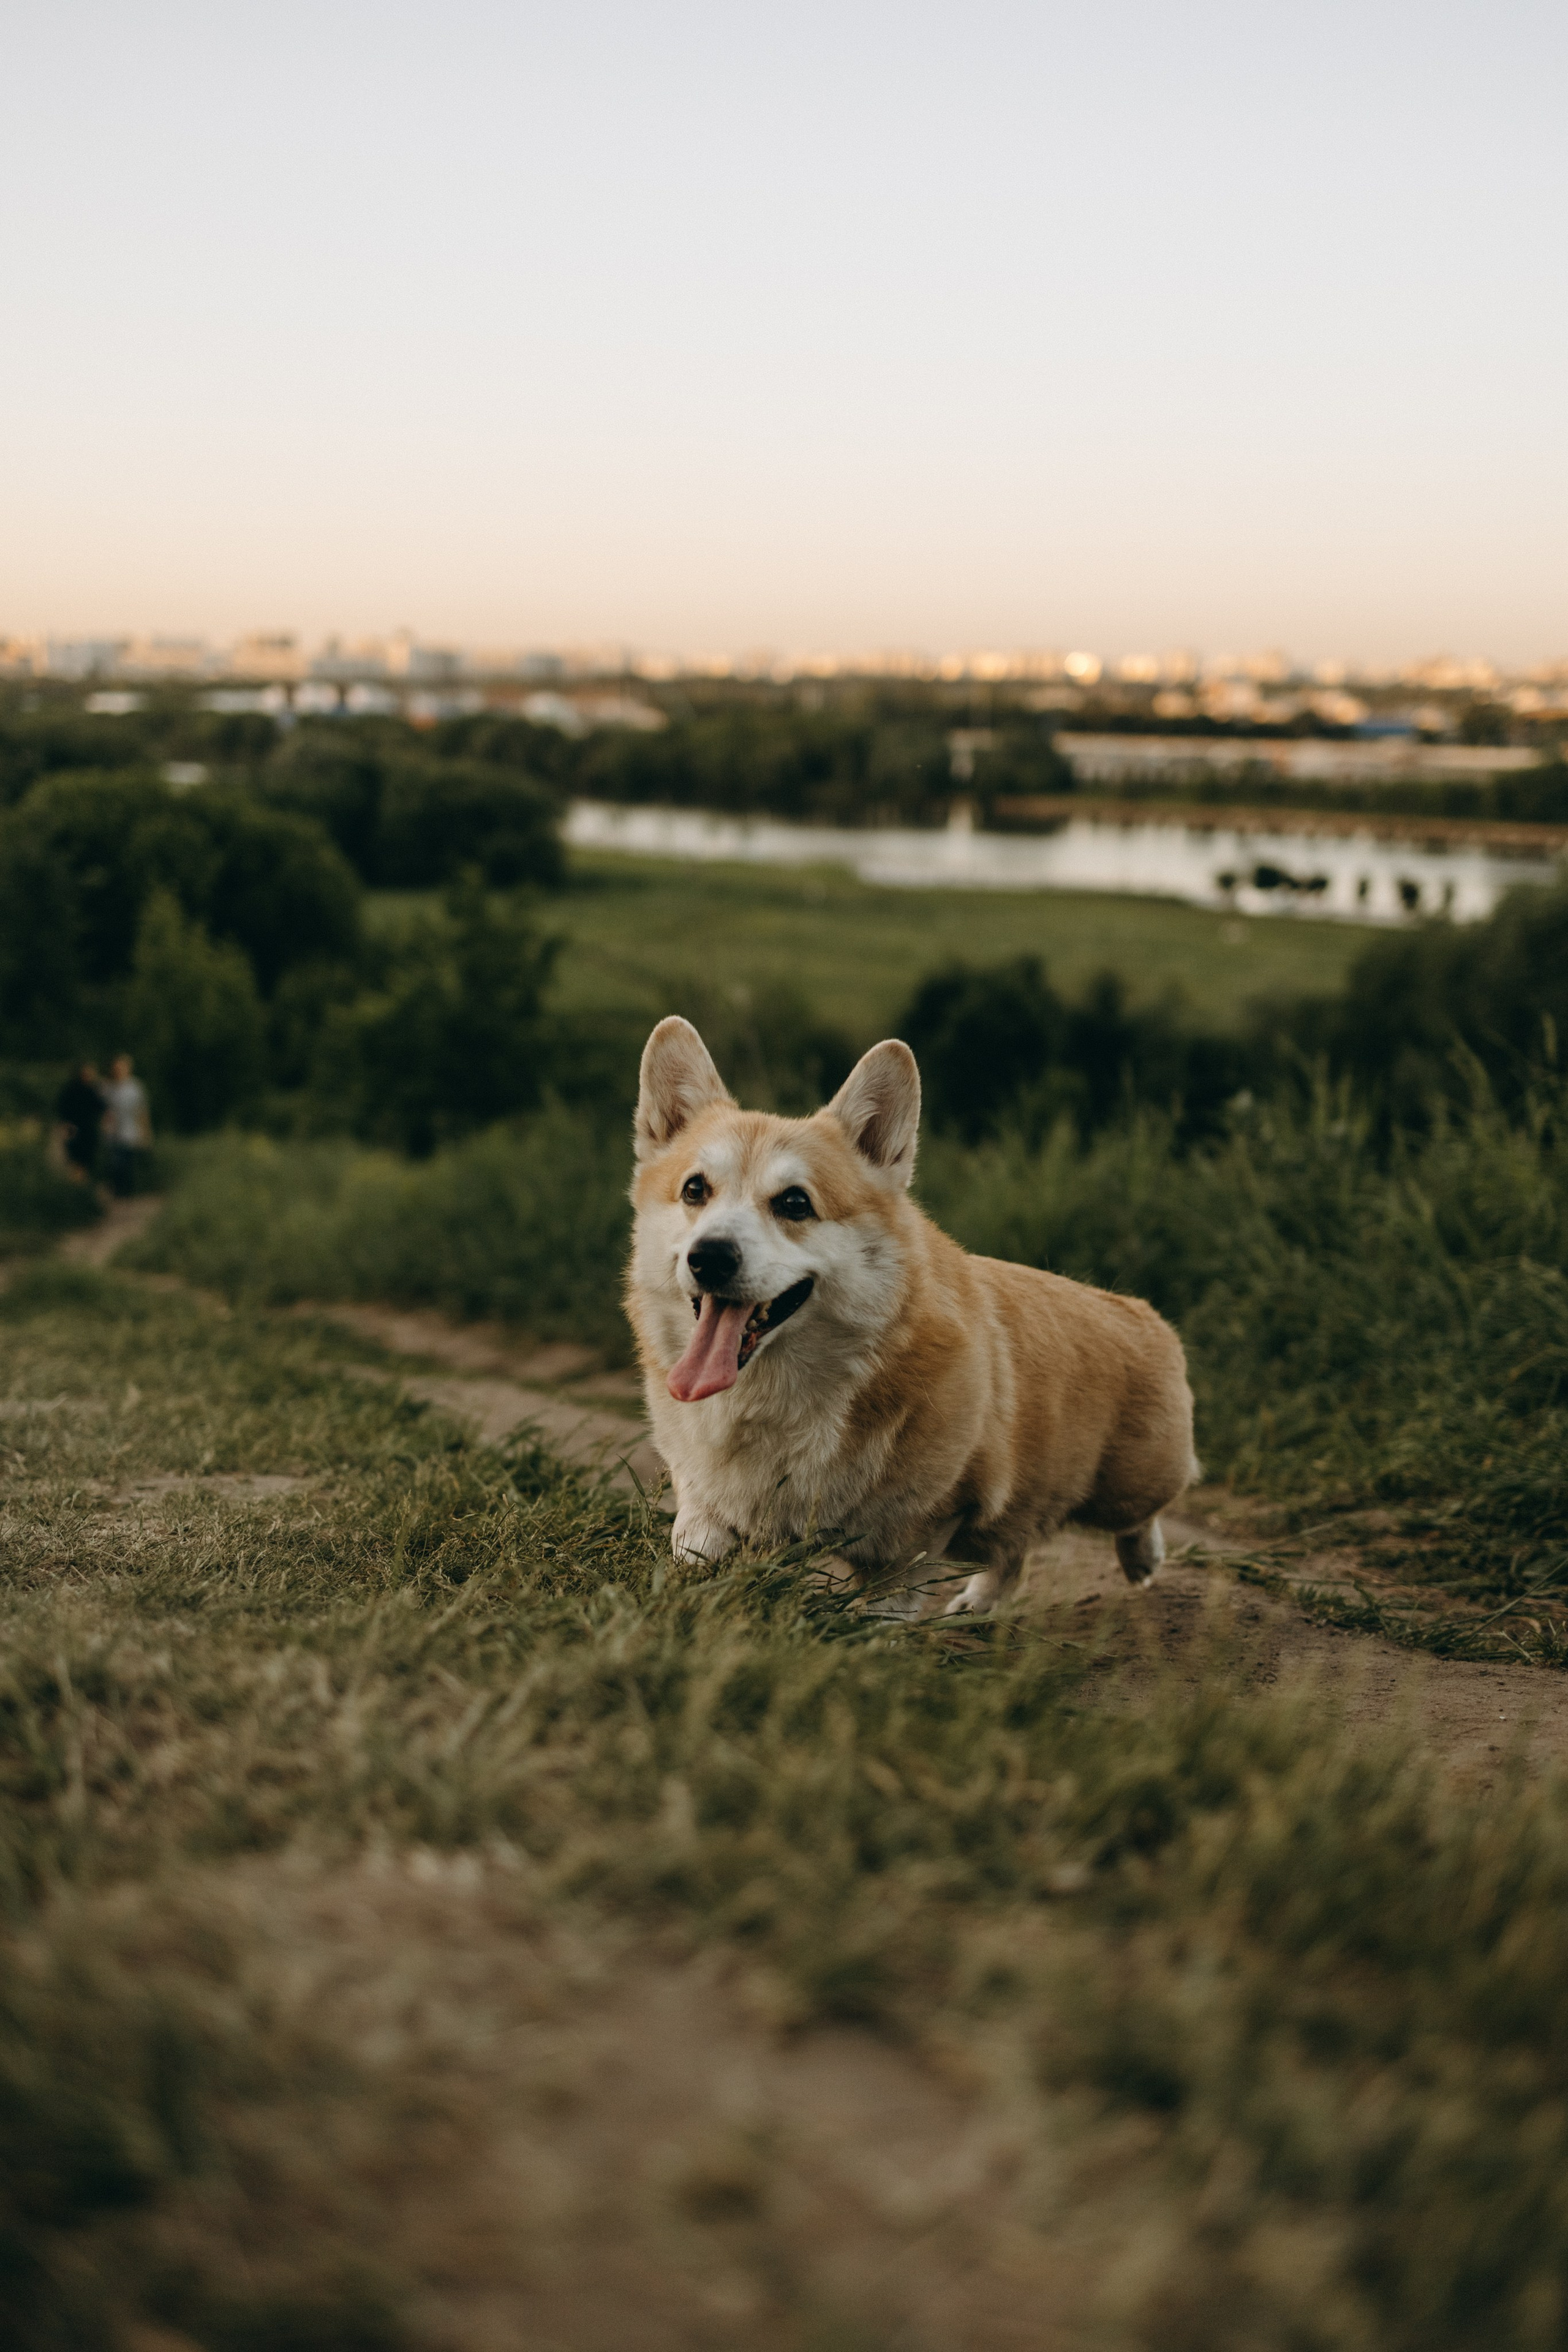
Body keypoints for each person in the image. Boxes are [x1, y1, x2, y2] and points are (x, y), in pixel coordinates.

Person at [101, 1054, 153, 1197]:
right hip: (112, 1132)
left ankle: (127, 1193)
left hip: (131, 1132)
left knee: (127, 1163)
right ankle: (118, 1191)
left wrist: (146, 1132)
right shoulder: (108, 1088)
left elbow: (142, 1111)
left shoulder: (135, 1087)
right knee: (115, 1163)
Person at [53, 1061, 105, 1185]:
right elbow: (62, 1109)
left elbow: (101, 1108)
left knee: (87, 1159)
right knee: (75, 1159)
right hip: (74, 1128)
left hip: (89, 1129)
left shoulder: (93, 1090)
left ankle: (82, 1184)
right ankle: (76, 1185)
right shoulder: (71, 1090)